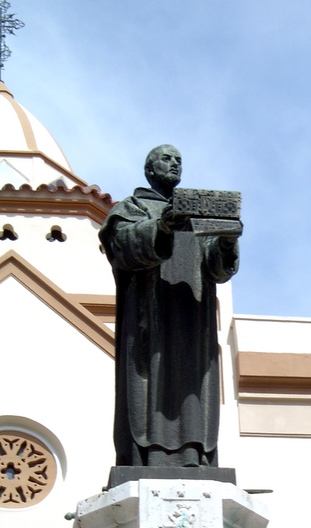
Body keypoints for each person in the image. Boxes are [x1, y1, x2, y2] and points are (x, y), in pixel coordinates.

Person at [99, 145, 240, 468]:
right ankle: (146, 458)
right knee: (148, 383)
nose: (174, 163)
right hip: (149, 319)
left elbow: (217, 268)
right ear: (149, 169)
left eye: (179, 159)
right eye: (166, 158)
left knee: (192, 386)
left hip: (192, 317)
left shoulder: (200, 212)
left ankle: (195, 455)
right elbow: (121, 246)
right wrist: (162, 227)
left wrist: (228, 241)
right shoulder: (131, 208)